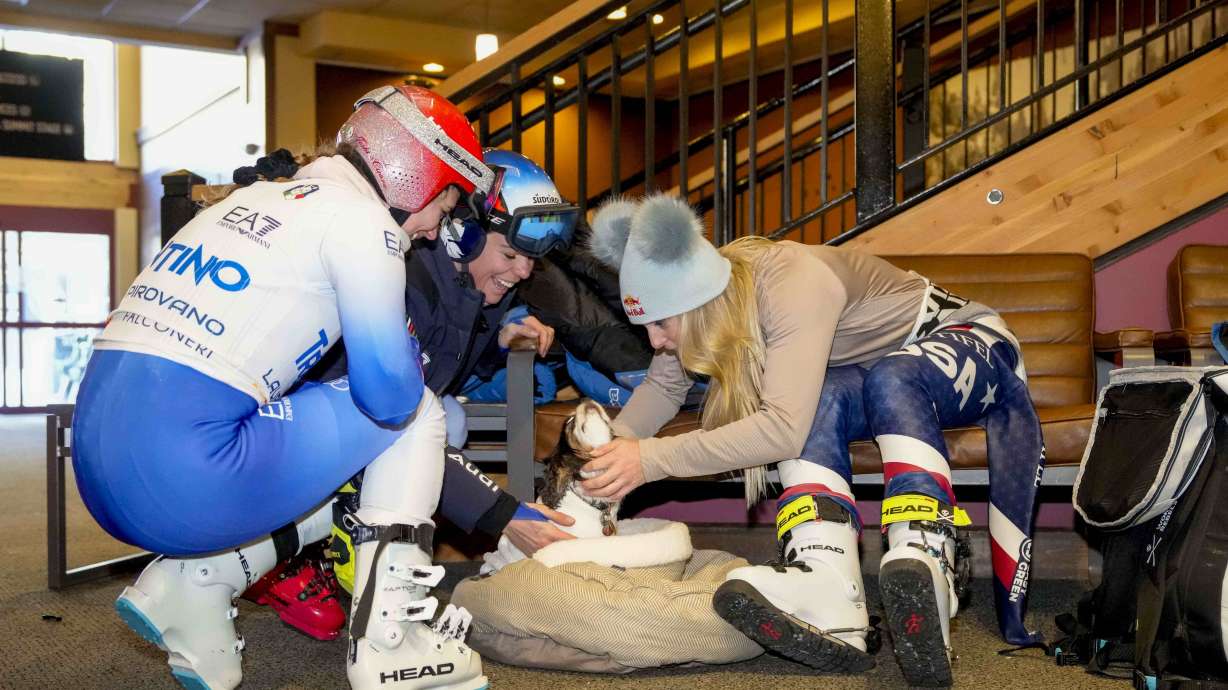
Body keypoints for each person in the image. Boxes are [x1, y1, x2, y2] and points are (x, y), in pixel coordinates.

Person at [71, 85, 495, 690]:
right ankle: (390, 645)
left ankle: (202, 579)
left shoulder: (256, 198)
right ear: (415, 176)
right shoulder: (362, 221)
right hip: (184, 481)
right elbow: (390, 398)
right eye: (443, 205)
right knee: (419, 416)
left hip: (96, 471)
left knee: (352, 451)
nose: (431, 232)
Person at [580, 193, 1046, 686]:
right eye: (645, 326)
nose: (654, 341)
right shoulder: (709, 301)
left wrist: (650, 459)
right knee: (816, 395)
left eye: (660, 323)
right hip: (876, 373)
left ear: (696, 302)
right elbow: (662, 388)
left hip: (973, 341)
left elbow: (780, 430)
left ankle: (928, 554)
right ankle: (828, 579)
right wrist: (604, 455)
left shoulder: (792, 282)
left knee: (887, 378)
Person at [307, 148, 584, 597]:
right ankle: (322, 541)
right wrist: (505, 514)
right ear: (462, 235)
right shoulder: (403, 284)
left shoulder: (466, 285)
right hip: (319, 429)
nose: (523, 271)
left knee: (448, 414)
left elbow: (442, 364)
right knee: (442, 419)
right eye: (510, 254)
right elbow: (399, 421)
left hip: (364, 420)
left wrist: (496, 344)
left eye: (532, 260)